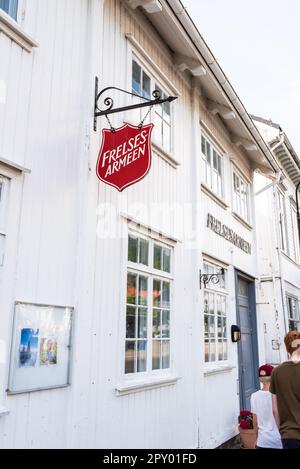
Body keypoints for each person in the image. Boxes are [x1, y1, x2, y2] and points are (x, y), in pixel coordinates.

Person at [270, 331, 300, 449]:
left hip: (288, 435)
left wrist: (282, 431)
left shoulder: (276, 372)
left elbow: (274, 410)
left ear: (287, 348)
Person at [250, 364, 282, 449]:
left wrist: (256, 439)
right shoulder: (280, 395)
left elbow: (255, 423)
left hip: (262, 441)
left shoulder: (254, 396)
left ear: (260, 380)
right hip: (279, 440)